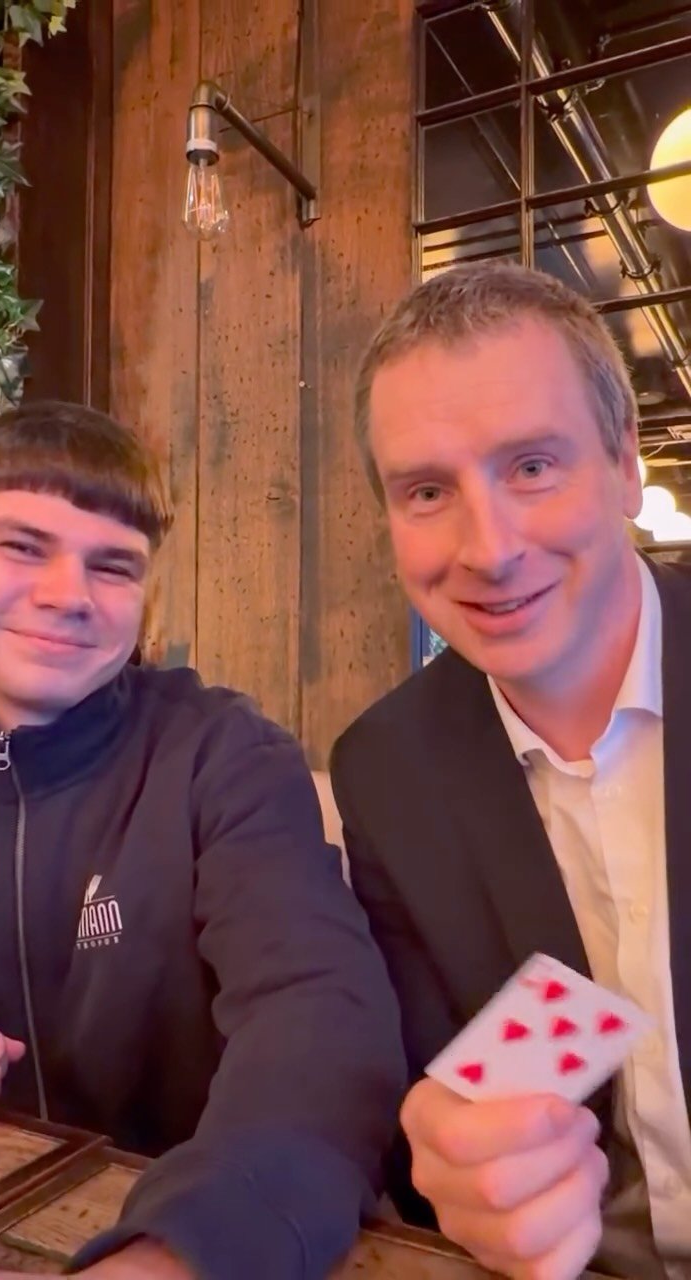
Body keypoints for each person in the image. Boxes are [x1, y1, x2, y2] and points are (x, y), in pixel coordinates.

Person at [0, 400, 405, 1280]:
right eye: (21, 546)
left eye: (114, 565)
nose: (68, 594)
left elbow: (319, 1016)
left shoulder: (224, 754)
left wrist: (180, 1253)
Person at [330, 261, 691, 1280]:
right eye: (427, 491)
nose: (487, 549)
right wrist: (445, 1155)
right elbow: (439, 1095)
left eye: (532, 466)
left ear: (626, 464)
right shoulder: (386, 769)